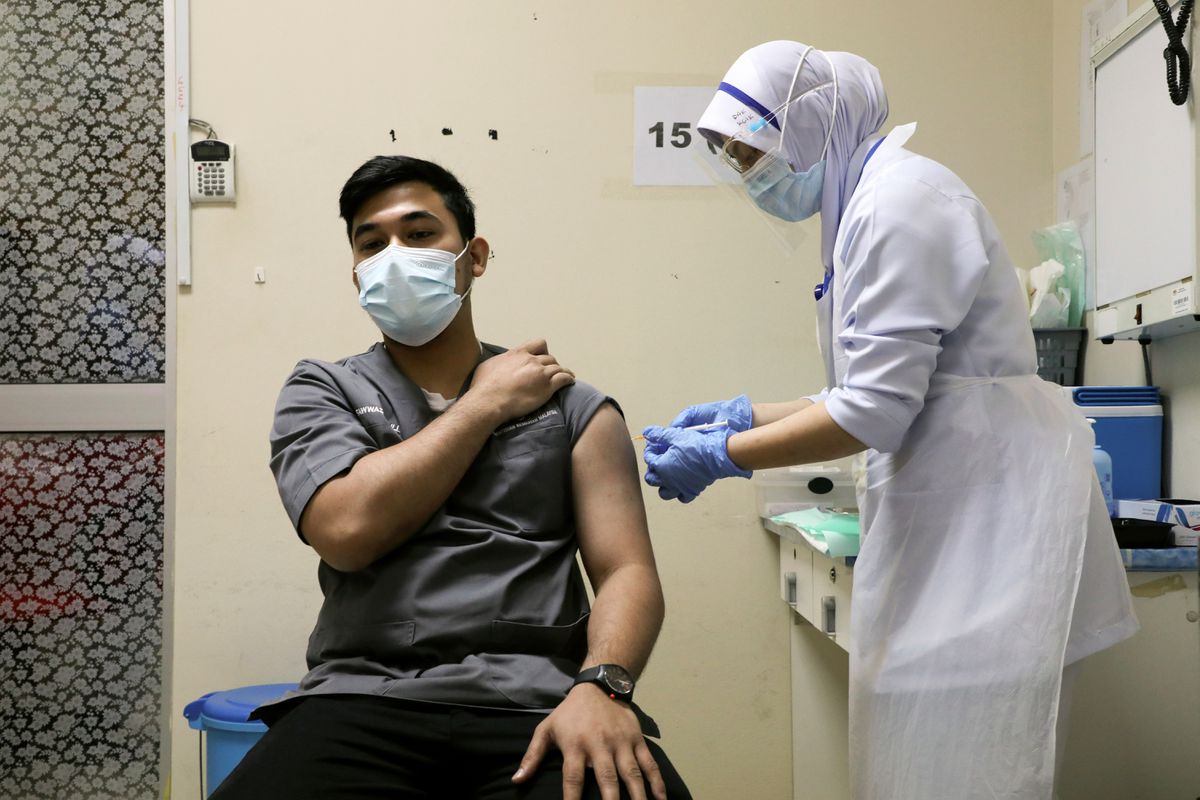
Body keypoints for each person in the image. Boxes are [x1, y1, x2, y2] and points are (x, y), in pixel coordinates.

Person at [640, 41, 1137, 799]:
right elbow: (875, 390)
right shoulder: (870, 203)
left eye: (754, 150)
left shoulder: (901, 203)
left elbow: (874, 409)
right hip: (959, 514)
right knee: (928, 761)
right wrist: (743, 414)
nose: (753, 174)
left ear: (813, 126)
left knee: (974, 765)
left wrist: (728, 453)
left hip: (990, 532)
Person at [213, 155, 690, 800]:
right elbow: (347, 530)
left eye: (419, 234)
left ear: (475, 255)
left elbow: (627, 571)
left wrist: (602, 688)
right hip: (362, 697)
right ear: (356, 274)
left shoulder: (575, 408)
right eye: (371, 242)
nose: (395, 255)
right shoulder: (323, 390)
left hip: (538, 704)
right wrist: (485, 404)